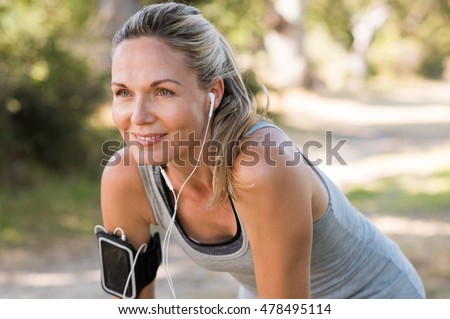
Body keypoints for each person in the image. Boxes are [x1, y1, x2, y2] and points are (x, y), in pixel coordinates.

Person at [100, 2, 426, 299]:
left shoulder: (261, 167)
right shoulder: (125, 178)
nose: (138, 117)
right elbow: (128, 305)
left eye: (163, 92)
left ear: (212, 93)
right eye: (124, 93)